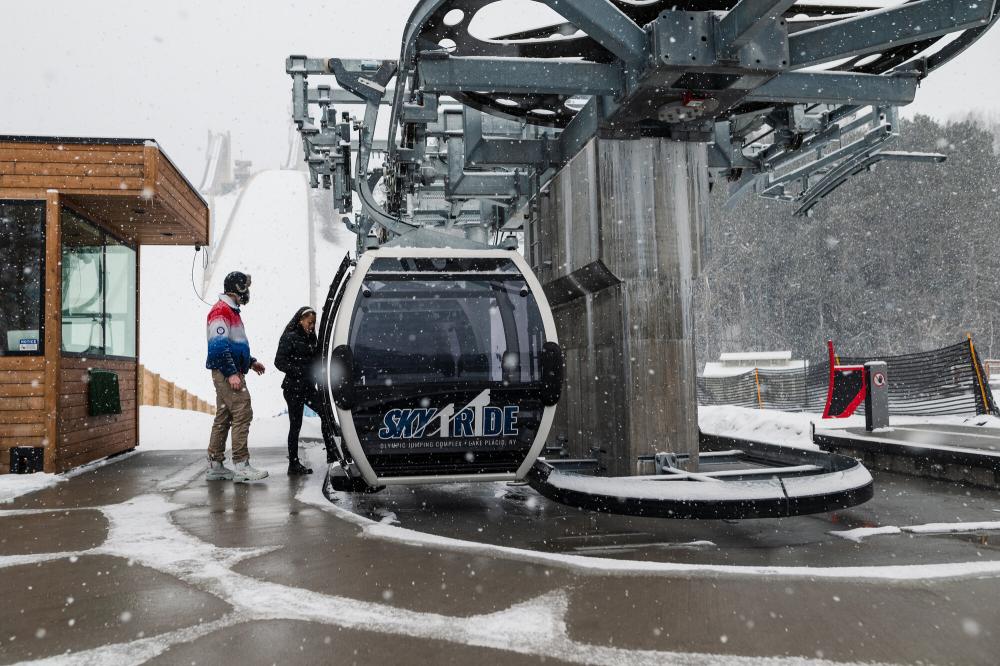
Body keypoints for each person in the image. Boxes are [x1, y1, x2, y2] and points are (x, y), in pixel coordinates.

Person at [204, 271, 268, 483]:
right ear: (237, 289)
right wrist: (231, 373)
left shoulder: (231, 311)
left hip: (229, 370)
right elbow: (219, 346)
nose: (247, 293)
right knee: (243, 410)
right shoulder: (221, 311)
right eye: (245, 288)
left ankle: (215, 465)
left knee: (224, 416)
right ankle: (241, 465)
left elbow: (235, 344)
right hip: (226, 372)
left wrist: (250, 362)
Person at [274, 306, 327, 475]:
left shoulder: (313, 339)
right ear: (300, 320)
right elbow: (279, 361)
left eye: (314, 323)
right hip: (293, 388)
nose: (312, 326)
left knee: (326, 414)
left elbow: (317, 361)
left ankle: (332, 454)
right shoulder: (290, 337)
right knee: (296, 425)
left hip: (309, 387)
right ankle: (293, 464)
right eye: (309, 322)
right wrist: (298, 370)